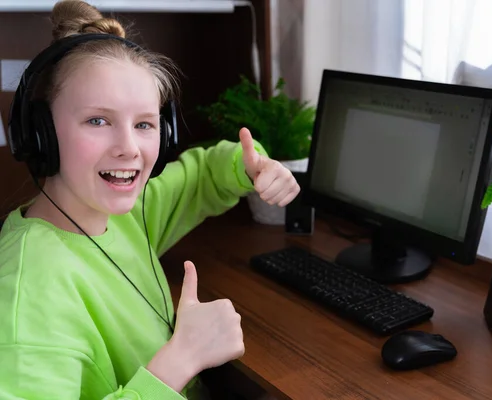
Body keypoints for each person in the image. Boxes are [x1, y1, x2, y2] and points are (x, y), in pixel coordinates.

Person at [0, 0, 299, 399]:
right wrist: (181, 360)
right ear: (41, 135)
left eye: (144, 124)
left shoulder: (120, 213)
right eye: (98, 120)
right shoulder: (32, 288)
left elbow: (200, 176)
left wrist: (251, 168)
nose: (130, 148)